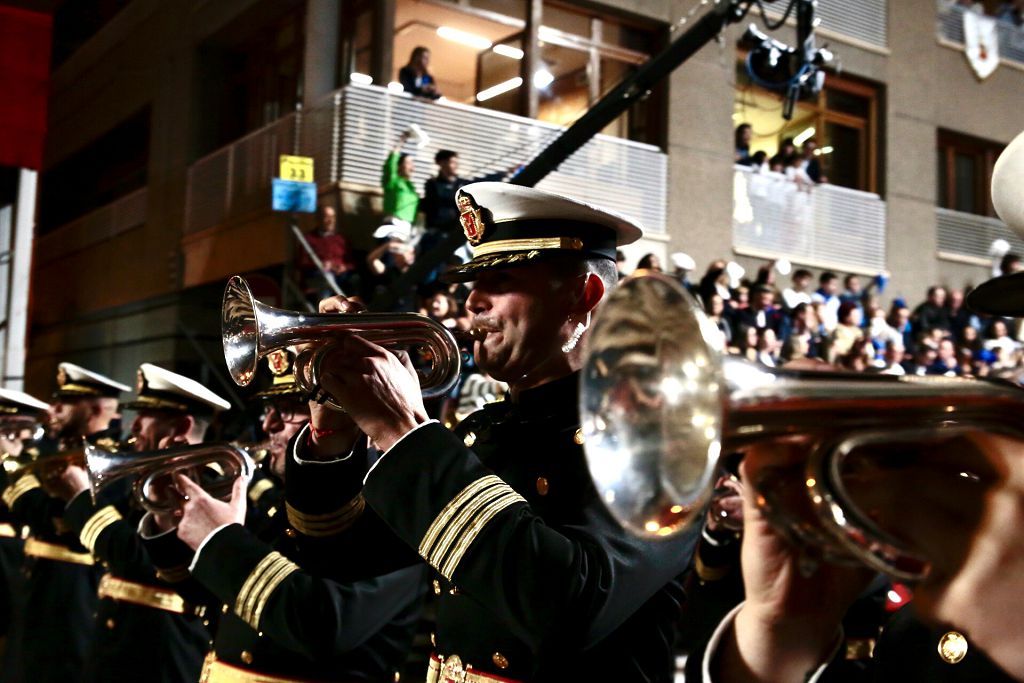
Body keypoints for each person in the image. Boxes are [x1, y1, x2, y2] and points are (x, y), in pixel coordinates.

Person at [289, 182, 698, 681]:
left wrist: (402, 429)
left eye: (502, 280)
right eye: (472, 281)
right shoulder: (485, 430)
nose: (472, 300)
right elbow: (340, 553)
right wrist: (330, 436)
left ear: (583, 295)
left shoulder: (663, 438)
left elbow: (570, 607)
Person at [173, 349, 426, 683]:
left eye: (291, 407)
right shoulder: (280, 499)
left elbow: (323, 627)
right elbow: (210, 598)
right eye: (269, 408)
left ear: (344, 410)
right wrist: (172, 515)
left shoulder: (389, 507)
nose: (269, 425)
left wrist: (220, 543)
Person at [51, 363, 231, 682]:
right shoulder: (146, 476)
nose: (132, 429)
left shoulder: (212, 486)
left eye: (144, 418)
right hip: (118, 636)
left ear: (182, 427)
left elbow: (139, 560)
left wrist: (80, 499)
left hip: (162, 651)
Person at [0, 363, 129, 681]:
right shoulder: (56, 451)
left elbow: (55, 520)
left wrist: (9, 465)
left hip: (74, 592)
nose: (53, 409)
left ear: (94, 409)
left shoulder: (110, 463)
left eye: (65, 403)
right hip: (38, 582)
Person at [297, 205, 356, 301]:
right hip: (318, 276)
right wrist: (321, 265)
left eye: (333, 217)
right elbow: (302, 263)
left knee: (354, 280)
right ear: (318, 219)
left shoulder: (341, 239)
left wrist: (344, 267)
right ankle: (325, 312)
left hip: (341, 276)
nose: (330, 220)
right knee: (327, 279)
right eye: (327, 217)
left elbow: (351, 263)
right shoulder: (309, 238)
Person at [381, 131, 420, 228]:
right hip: (393, 222)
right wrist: (402, 141)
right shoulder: (393, 180)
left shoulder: (411, 187)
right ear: (399, 166)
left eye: (412, 163)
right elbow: (391, 163)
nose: (412, 167)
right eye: (408, 163)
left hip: (407, 226)